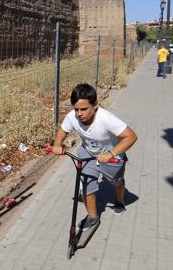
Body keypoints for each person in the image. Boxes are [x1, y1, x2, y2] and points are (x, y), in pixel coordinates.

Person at [51, 83, 138, 231]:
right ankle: (93, 216)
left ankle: (119, 200)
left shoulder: (106, 118)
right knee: (85, 184)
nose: (79, 114)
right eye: (76, 109)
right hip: (88, 153)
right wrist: (57, 144)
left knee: (116, 182)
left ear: (95, 105)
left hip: (112, 156)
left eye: (84, 109)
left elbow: (131, 137)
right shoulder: (73, 117)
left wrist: (111, 154)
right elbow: (63, 130)